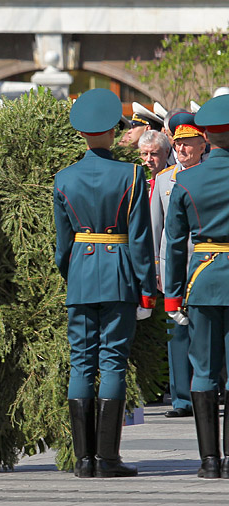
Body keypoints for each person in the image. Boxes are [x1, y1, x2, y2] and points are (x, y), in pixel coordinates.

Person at [55, 88, 157, 478]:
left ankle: (84, 460)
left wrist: (74, 274)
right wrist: (146, 290)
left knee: (81, 362)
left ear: (80, 133)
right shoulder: (130, 174)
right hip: (119, 275)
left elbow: (63, 244)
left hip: (81, 273)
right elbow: (140, 240)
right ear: (114, 131)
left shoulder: (64, 177)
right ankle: (108, 459)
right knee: (113, 360)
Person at [164, 94, 229, 478]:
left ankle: (209, 461)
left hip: (203, 279)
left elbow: (173, 244)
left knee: (203, 371)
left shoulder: (186, 181)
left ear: (205, 134)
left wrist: (172, 295)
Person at [151, 115, 207, 420]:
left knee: (208, 328)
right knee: (177, 332)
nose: (182, 148)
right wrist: (157, 270)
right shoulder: (164, 179)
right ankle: (182, 398)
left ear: (203, 145)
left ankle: (210, 389)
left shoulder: (211, 174)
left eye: (188, 143)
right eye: (178, 143)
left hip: (206, 262)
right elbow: (156, 226)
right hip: (174, 266)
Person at [138, 130, 171, 199]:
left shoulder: (174, 178)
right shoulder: (136, 179)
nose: (149, 159)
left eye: (154, 154)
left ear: (166, 152)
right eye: (145, 154)